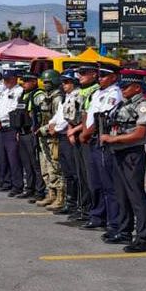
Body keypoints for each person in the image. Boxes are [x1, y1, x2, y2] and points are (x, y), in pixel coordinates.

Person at [102, 73, 146, 251]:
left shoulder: (143, 105)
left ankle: (142, 237)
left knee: (136, 196)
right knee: (121, 193)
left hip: (132, 152)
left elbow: (140, 133)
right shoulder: (124, 103)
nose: (122, 90)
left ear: (137, 87)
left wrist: (113, 139)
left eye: (126, 87)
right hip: (119, 151)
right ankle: (124, 231)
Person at [80, 64, 123, 235]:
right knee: (95, 182)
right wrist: (84, 132)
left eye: (104, 76)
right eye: (99, 76)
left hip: (102, 140)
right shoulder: (97, 93)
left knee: (108, 185)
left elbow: (102, 118)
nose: (100, 79)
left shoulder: (114, 94)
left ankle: (113, 222)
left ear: (113, 77)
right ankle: (97, 215)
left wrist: (86, 134)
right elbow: (87, 114)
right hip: (91, 140)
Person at [65, 65, 101, 226]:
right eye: (79, 73)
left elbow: (91, 118)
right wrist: (71, 129)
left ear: (94, 74)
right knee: (81, 176)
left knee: (90, 178)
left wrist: (76, 131)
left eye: (84, 73)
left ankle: (91, 212)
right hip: (77, 134)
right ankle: (84, 209)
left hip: (87, 136)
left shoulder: (95, 91)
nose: (80, 76)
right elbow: (70, 114)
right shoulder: (81, 91)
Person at [52, 71, 83, 217]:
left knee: (75, 173)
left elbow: (69, 118)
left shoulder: (78, 95)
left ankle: (78, 204)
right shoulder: (66, 97)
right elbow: (59, 115)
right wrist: (52, 124)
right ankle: (70, 202)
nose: (63, 85)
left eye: (67, 82)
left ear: (74, 83)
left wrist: (57, 127)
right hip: (63, 137)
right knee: (67, 173)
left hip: (71, 136)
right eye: (62, 82)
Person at [13, 72, 47, 200]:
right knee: (27, 164)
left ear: (34, 81)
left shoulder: (38, 94)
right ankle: (30, 188)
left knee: (35, 164)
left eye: (27, 81)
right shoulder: (23, 94)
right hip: (22, 133)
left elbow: (38, 115)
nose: (24, 84)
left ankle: (39, 191)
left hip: (31, 133)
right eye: (23, 81)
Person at [34, 70, 65, 210]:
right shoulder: (45, 96)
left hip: (53, 137)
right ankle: (50, 193)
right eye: (44, 82)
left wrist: (45, 129)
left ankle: (60, 197)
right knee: (45, 166)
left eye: (48, 82)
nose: (46, 84)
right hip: (43, 135)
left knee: (55, 167)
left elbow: (58, 118)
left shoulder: (58, 98)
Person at [0, 68, 24, 194]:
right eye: (5, 79)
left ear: (15, 78)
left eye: (8, 79)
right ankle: (6, 182)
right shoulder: (5, 92)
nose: (6, 82)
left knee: (13, 159)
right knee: (3, 158)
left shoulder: (19, 91)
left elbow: (14, 110)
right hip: (0, 128)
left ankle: (17, 185)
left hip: (10, 127)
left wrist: (0, 120)